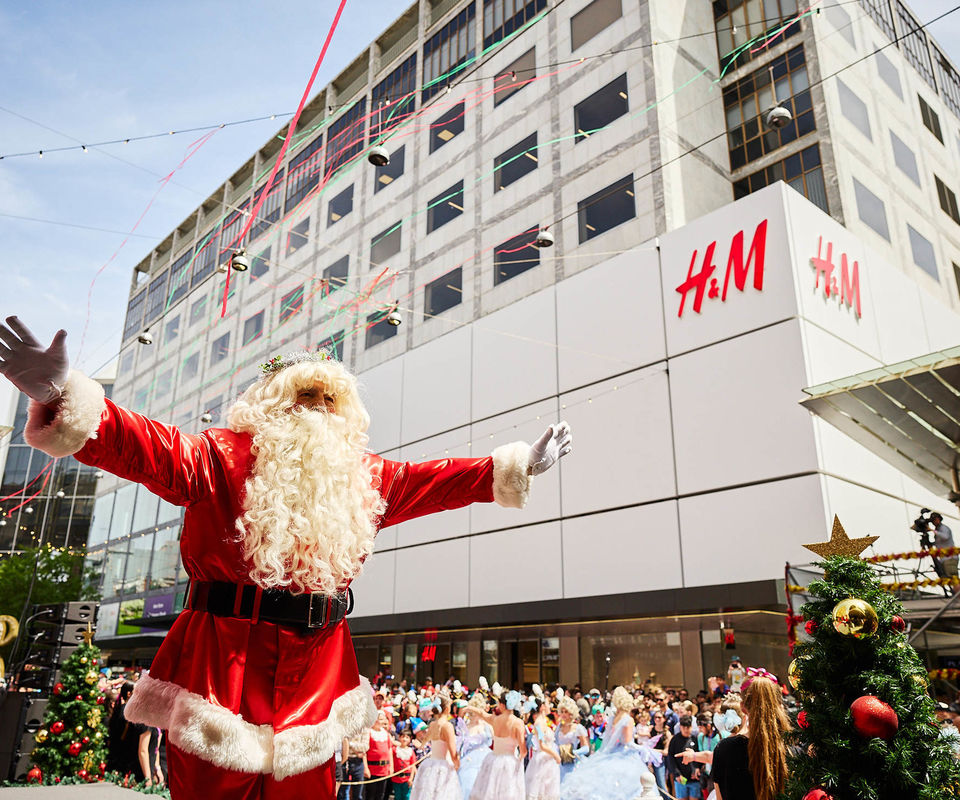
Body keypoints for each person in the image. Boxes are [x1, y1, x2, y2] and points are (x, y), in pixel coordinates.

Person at [0, 316, 572, 799]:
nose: (320, 409)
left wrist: (513, 465)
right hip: (222, 669)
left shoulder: (363, 478)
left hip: (317, 678)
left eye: (331, 399)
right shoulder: (219, 456)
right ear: (275, 403)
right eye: (307, 395)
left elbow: (438, 480)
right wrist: (61, 394)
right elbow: (142, 444)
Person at [559, 686, 656, 800]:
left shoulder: (613, 718)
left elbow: (608, 739)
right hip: (625, 756)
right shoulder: (627, 719)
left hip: (611, 753)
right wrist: (642, 748)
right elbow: (627, 742)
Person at [712, 674, 791, 800]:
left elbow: (719, 796)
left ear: (742, 707)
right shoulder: (791, 750)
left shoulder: (724, 749)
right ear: (779, 705)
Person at [468, 690, 526, 800]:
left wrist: (469, 708)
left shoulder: (495, 720)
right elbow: (523, 750)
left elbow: (482, 714)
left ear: (503, 705)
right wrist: (519, 761)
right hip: (509, 762)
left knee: (490, 792)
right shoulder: (518, 723)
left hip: (493, 759)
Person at [411, 695, 461, 800]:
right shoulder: (447, 726)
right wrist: (457, 765)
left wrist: (419, 745)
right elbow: (453, 752)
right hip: (443, 766)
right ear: (447, 709)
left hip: (430, 764)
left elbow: (423, 744)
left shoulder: (433, 724)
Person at [457, 693, 493, 798]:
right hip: (468, 760)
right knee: (467, 785)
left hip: (484, 759)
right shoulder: (465, 726)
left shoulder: (487, 726)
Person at [525, 698, 561, 800]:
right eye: (547, 704)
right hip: (543, 759)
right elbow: (541, 745)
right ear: (541, 707)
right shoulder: (538, 724)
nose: (549, 706)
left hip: (549, 759)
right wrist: (555, 755)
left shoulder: (544, 721)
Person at [555, 696, 589, 783]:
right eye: (562, 712)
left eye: (566, 711)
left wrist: (573, 752)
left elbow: (586, 748)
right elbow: (555, 743)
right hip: (560, 764)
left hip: (573, 764)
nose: (563, 714)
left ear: (571, 712)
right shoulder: (558, 727)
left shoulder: (578, 728)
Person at [666, 716, 701, 799]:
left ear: (691, 727)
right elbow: (671, 758)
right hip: (681, 778)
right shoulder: (674, 740)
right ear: (680, 727)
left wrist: (697, 768)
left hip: (694, 778)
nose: (686, 729)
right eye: (683, 727)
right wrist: (676, 774)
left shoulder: (694, 739)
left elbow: (699, 755)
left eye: (688, 727)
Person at [365, 711, 394, 800]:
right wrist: (366, 768)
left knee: (381, 795)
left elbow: (389, 750)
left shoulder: (386, 734)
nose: (378, 721)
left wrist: (391, 766)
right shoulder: (369, 733)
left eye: (381, 719)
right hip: (372, 769)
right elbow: (364, 752)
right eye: (376, 719)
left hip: (384, 769)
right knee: (370, 795)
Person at [931, 513, 959, 594]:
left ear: (939, 519)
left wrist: (932, 530)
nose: (934, 522)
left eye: (935, 519)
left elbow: (945, 537)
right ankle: (956, 596)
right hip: (944, 558)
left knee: (953, 578)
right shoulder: (938, 529)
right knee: (949, 578)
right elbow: (938, 544)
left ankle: (958, 597)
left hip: (950, 558)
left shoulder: (944, 528)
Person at [392, 729, 419, 800]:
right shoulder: (395, 750)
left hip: (406, 779)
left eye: (407, 737)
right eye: (403, 736)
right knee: (397, 796)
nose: (404, 739)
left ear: (410, 739)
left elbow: (413, 765)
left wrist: (411, 778)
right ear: (399, 737)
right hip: (396, 779)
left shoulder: (411, 751)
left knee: (406, 796)